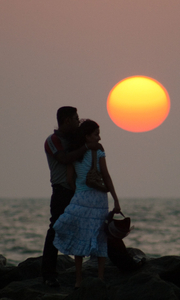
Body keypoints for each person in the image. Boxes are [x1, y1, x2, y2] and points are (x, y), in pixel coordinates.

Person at [53, 119, 121, 288]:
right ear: (87, 136)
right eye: (96, 134)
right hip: (99, 200)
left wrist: (79, 190)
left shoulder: (74, 154)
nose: (99, 138)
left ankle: (78, 281)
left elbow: (70, 179)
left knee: (78, 237)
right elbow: (106, 176)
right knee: (100, 237)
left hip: (81, 198)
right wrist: (116, 199)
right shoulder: (98, 153)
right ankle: (100, 278)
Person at [42, 107, 102, 287]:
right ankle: (48, 275)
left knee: (98, 228)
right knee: (56, 229)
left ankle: (121, 263)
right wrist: (85, 146)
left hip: (81, 191)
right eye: (76, 119)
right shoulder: (53, 140)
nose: (78, 121)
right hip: (62, 191)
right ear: (67, 120)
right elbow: (64, 159)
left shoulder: (75, 139)